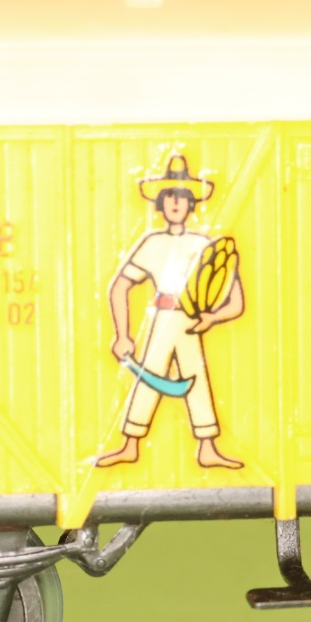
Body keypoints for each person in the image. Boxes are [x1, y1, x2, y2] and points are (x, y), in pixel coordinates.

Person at [95, 156, 244, 469]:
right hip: (163, 319)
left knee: (197, 378)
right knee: (148, 376)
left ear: (191, 205)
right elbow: (119, 287)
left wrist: (212, 317)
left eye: (183, 197)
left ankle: (207, 447)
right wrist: (122, 335)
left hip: (192, 320)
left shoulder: (206, 245)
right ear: (160, 204)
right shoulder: (152, 243)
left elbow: (236, 302)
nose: (176, 203)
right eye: (169, 196)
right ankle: (131, 444)